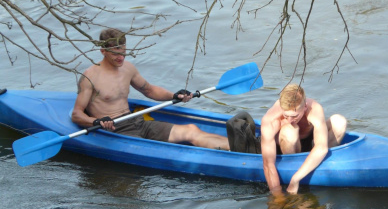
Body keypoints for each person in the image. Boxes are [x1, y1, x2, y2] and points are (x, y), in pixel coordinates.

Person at [71, 28, 230, 150]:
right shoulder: (90, 77)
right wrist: (97, 121)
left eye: (123, 51)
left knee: (191, 130)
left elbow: (149, 90)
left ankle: (248, 149)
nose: (121, 57)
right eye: (115, 53)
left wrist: (174, 95)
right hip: (116, 129)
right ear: (103, 51)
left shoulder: (127, 68)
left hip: (137, 120)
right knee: (148, 147)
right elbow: (77, 114)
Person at [260, 84, 347, 194]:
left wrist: (295, 179)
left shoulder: (314, 109)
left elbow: (321, 147)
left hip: (309, 144)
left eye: (295, 116)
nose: (290, 120)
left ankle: (318, 163)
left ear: (305, 107)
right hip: (287, 148)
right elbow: (268, 164)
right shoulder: (270, 119)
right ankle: (294, 167)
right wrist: (278, 198)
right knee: (290, 130)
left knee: (339, 121)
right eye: (286, 116)